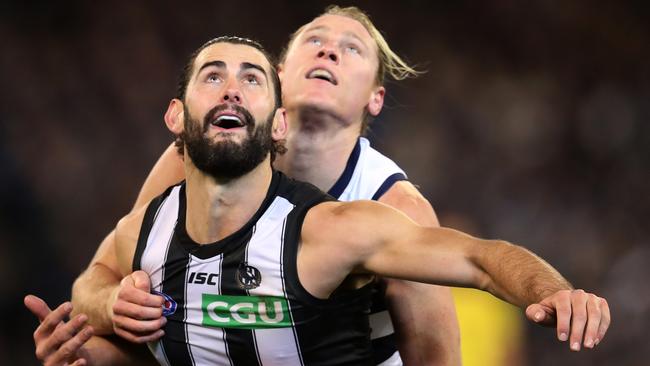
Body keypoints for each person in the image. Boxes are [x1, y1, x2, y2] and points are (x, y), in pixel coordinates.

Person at [30, 35, 609, 366]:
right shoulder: (151, 225)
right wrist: (90, 330)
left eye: (251, 78)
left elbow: (481, 260)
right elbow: (100, 281)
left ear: (278, 123)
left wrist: (554, 291)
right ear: (176, 118)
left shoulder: (339, 228)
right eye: (212, 75)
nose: (231, 86)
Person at [31, 6, 462, 366]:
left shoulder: (395, 204)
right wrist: (111, 307)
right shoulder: (198, 157)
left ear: (376, 98)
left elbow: (436, 357)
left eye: (352, 49)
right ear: (278, 75)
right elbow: (95, 282)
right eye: (314, 40)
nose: (329, 51)